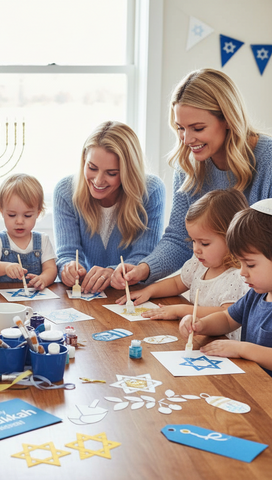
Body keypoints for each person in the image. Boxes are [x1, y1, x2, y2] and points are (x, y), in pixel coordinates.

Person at [114, 68, 272, 289]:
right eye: (180, 128)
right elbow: (180, 239)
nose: (187, 139)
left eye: (197, 128)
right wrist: (144, 268)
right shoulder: (188, 167)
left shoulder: (268, 161)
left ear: (228, 120)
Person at [118, 189, 249, 340]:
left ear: (231, 238)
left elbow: (226, 314)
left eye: (204, 243)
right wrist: (149, 291)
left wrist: (181, 310)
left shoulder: (237, 277)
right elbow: (176, 283)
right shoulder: (199, 265)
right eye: (193, 241)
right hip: (199, 338)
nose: (196, 249)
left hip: (225, 348)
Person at [54, 120, 165, 294]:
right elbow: (67, 254)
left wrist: (113, 271)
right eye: (92, 167)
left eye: (111, 173)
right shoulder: (65, 191)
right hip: (88, 294)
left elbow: (144, 257)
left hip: (130, 294)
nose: (98, 181)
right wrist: (68, 268)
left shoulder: (151, 191)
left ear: (129, 171)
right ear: (84, 160)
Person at [179, 199, 272, 376]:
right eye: (240, 263)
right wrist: (201, 325)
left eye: (250, 265)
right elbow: (227, 319)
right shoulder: (255, 295)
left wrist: (242, 349)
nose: (242, 272)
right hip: (252, 385)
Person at [0, 173, 57, 289]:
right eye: (12, 215)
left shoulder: (43, 240)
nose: (19, 221)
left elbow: (51, 269)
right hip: (1, 300)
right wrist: (6, 267)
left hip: (33, 300)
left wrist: (43, 279)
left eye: (27, 215)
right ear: (1, 211)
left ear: (38, 212)